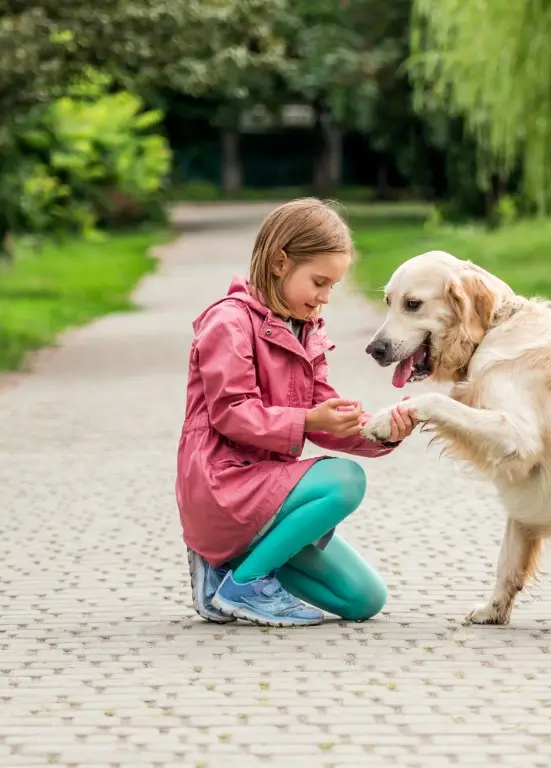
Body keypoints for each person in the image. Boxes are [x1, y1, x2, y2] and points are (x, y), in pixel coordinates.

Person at [176, 198, 418, 627]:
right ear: (279, 261)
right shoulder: (228, 322)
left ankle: (226, 572)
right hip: (223, 488)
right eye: (319, 282)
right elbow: (232, 413)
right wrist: (307, 421)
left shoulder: (306, 330)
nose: (324, 299)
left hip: (268, 500)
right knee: (344, 480)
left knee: (364, 599)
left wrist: (387, 430)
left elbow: (327, 416)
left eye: (332, 288)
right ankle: (244, 586)